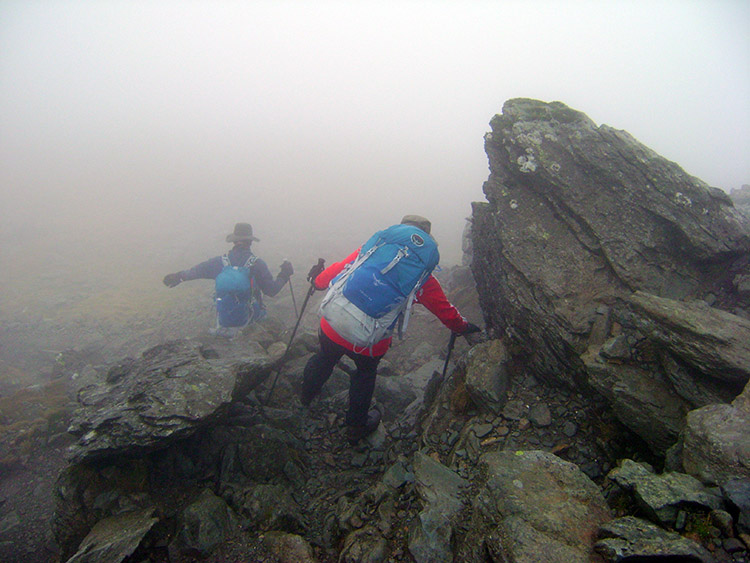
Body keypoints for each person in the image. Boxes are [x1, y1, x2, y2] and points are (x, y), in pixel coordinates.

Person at [301, 215, 480, 444]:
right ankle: (356, 427)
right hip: (369, 342)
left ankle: (306, 396)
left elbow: (339, 269)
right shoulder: (423, 278)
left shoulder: (372, 250)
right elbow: (444, 311)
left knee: (324, 357)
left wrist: (317, 281)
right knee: (364, 375)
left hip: (333, 324)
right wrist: (463, 327)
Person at [163, 222, 293, 337]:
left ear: (233, 241)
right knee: (262, 313)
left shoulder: (219, 262)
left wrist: (178, 276)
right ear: (250, 241)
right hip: (252, 318)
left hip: (224, 320)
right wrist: (284, 275)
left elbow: (196, 271)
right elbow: (272, 290)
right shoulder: (257, 264)